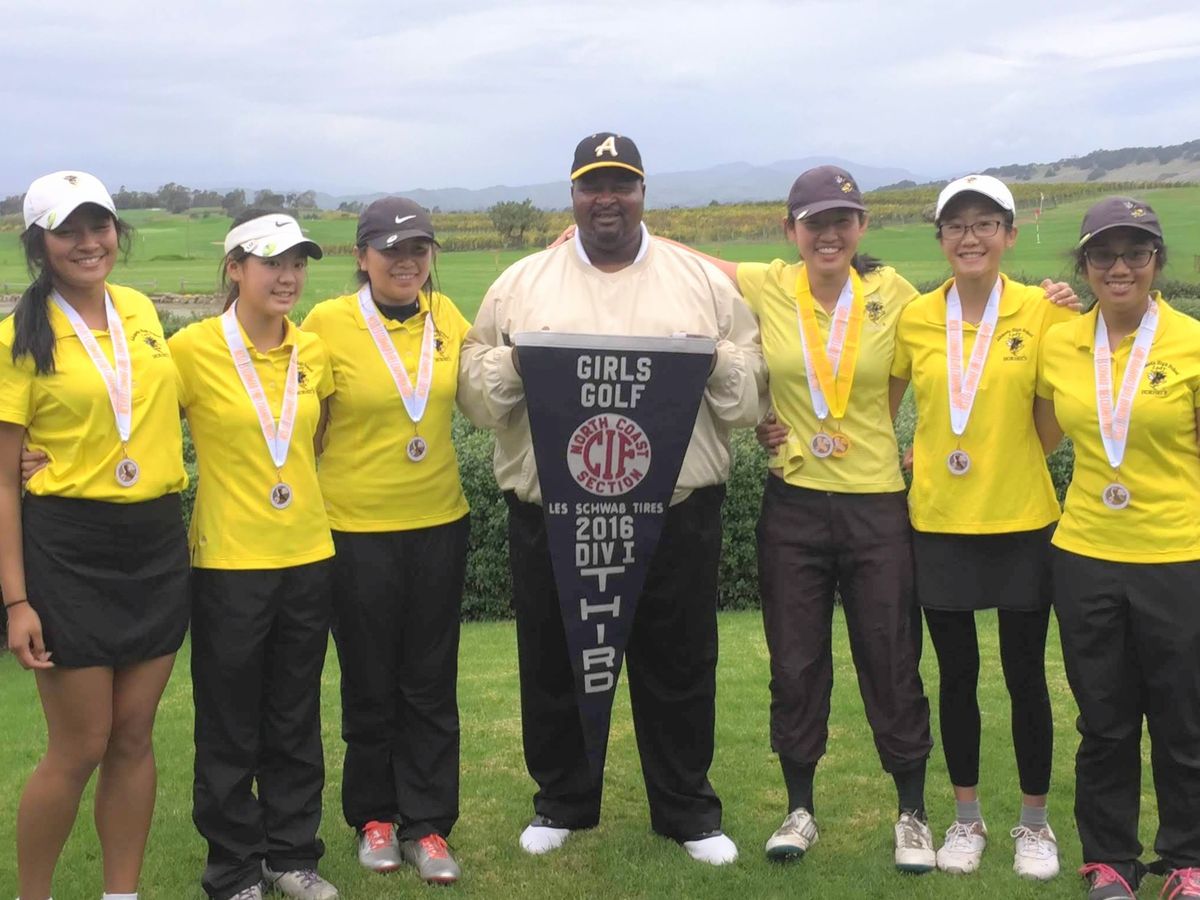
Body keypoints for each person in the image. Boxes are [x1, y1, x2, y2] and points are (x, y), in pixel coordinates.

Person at [458, 132, 766, 866]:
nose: (607, 199)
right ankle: (561, 801)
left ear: (642, 192)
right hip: (553, 512)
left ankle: (687, 810)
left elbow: (749, 399)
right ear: (572, 194)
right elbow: (474, 394)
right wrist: (521, 360)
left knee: (679, 663)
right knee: (554, 659)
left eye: (621, 184)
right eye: (593, 185)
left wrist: (709, 357)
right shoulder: (522, 283)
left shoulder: (701, 283)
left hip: (677, 511)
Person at [0, 171, 190, 900]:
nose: (88, 242)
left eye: (99, 226)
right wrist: (17, 601)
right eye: (68, 231)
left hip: (153, 542)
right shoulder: (20, 337)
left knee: (134, 737)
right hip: (67, 549)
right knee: (80, 744)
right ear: (39, 244)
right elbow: (3, 482)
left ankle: (121, 895)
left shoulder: (139, 309)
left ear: (117, 231)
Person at [890, 175, 1075, 880]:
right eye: (957, 226)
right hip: (940, 522)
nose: (970, 237)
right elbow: (880, 407)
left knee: (1026, 677)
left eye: (985, 224)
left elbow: (1055, 421)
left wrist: (1005, 452)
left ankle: (1036, 824)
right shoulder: (916, 317)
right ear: (941, 239)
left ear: (1010, 235)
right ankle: (966, 819)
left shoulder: (1044, 310)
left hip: (1023, 520)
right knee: (956, 677)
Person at [300, 198, 472, 885]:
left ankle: (428, 825)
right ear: (361, 256)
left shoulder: (447, 316)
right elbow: (294, 417)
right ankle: (374, 816)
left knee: (431, 683)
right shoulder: (327, 323)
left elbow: (498, 381)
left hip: (439, 524)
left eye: (418, 249)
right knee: (370, 681)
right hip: (355, 530)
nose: (406, 262)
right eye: (391, 250)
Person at [169, 211, 338, 900]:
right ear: (235, 268)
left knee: (295, 716)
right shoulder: (191, 349)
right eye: (271, 262)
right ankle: (234, 867)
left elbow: (315, 438)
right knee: (229, 722)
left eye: (297, 262)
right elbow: (135, 424)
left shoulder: (312, 350)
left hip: (308, 554)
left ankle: (291, 854)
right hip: (227, 564)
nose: (288, 276)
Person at [1038, 198, 1200, 900]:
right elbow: (1034, 433)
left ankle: (1188, 861)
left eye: (1136, 252)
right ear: (1084, 265)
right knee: (1103, 719)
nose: (1120, 267)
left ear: (1157, 261)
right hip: (1086, 554)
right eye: (1103, 254)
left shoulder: (1192, 342)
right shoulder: (1061, 343)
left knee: (1183, 716)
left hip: (1179, 555)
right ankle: (1110, 862)